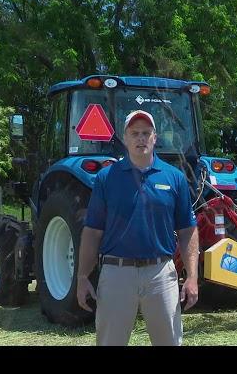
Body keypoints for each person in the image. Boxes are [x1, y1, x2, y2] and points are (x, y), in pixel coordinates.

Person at [76, 109, 199, 346]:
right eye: (135, 133)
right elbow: (92, 232)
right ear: (125, 138)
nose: (140, 138)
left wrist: (192, 277)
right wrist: (82, 276)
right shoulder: (105, 178)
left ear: (155, 137)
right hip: (116, 273)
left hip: (161, 274)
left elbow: (187, 230)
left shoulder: (174, 178)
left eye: (146, 133)